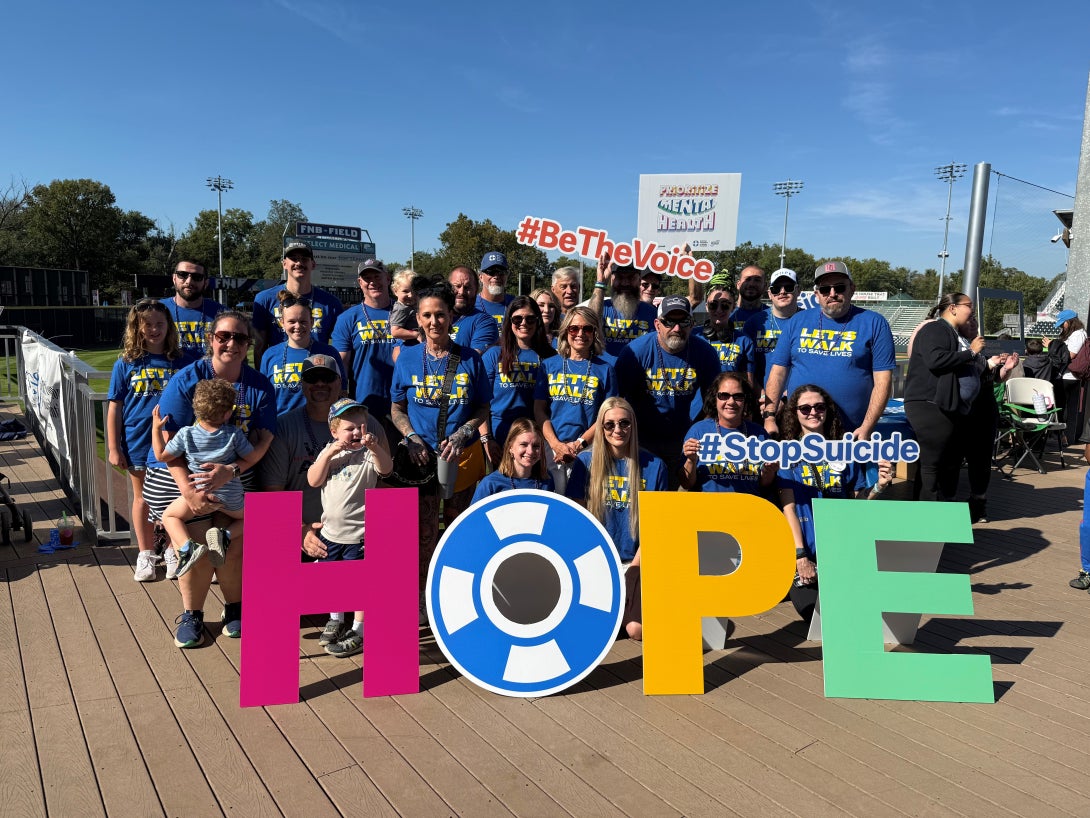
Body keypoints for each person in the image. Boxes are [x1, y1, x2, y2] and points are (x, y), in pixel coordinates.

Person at [144, 310, 277, 648]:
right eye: (223, 336)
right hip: (180, 477)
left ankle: (235, 609)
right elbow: (172, 448)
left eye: (240, 338)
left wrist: (230, 471)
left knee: (230, 546)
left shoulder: (258, 383)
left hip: (232, 475)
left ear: (249, 343)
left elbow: (265, 438)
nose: (231, 343)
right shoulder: (188, 379)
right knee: (201, 545)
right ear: (211, 340)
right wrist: (189, 491)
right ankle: (193, 615)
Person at [390, 280, 491, 616]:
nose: (435, 322)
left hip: (462, 457)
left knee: (459, 527)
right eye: (428, 315)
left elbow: (482, 407)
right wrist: (410, 436)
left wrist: (465, 432)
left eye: (441, 315)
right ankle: (421, 594)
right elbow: (396, 407)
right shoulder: (406, 359)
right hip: (421, 460)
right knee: (424, 532)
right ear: (418, 319)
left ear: (452, 318)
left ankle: (457, 593)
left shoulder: (470, 360)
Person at [776, 384, 894, 623]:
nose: (813, 412)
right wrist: (801, 557)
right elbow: (788, 507)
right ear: (795, 413)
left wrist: (879, 486)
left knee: (854, 613)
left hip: (839, 548)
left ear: (827, 410)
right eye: (805, 408)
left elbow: (855, 506)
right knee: (815, 614)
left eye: (819, 407)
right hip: (804, 550)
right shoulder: (787, 453)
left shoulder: (844, 451)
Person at [566, 398, 667, 641]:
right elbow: (578, 524)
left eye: (624, 423)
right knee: (593, 629)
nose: (617, 430)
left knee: (636, 630)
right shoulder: (585, 463)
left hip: (636, 561)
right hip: (600, 561)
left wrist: (634, 571)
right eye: (609, 425)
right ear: (600, 429)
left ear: (633, 425)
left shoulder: (655, 466)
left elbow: (656, 528)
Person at [107, 299, 193, 581]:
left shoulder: (181, 360)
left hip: (172, 441)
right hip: (137, 440)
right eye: (148, 325)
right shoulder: (127, 363)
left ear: (169, 326)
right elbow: (115, 406)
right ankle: (145, 552)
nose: (154, 329)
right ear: (137, 328)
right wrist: (113, 446)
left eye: (160, 324)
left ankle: (171, 549)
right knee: (142, 497)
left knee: (173, 497)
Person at [763, 261, 896, 441]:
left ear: (852, 289)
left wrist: (867, 427)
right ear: (817, 294)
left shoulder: (874, 323)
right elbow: (778, 372)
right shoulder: (797, 321)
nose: (832, 294)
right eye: (825, 289)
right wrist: (769, 417)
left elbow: (883, 381)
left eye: (839, 287)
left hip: (851, 433)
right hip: (799, 430)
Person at [153, 379, 271, 576]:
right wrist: (265, 441)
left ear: (196, 408)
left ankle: (185, 548)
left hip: (199, 494)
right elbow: (252, 457)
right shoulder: (233, 435)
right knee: (256, 518)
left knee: (169, 516)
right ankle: (224, 534)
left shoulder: (186, 434)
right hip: (230, 498)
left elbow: (161, 456)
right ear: (227, 414)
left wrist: (156, 429)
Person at [307, 398, 392, 658]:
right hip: (331, 532)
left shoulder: (368, 455)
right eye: (349, 428)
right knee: (333, 581)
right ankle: (335, 619)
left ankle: (359, 629)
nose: (356, 433)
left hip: (359, 534)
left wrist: (376, 448)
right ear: (334, 431)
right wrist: (329, 454)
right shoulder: (328, 453)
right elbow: (313, 480)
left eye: (361, 427)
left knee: (359, 583)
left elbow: (387, 469)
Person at [615, 295, 720, 483]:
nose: (677, 328)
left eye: (684, 321)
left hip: (681, 438)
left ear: (693, 323)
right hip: (640, 438)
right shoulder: (636, 352)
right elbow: (617, 401)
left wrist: (696, 432)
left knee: (676, 497)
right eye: (669, 322)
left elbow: (713, 403)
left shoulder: (705, 353)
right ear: (657, 324)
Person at [903, 293, 985, 502]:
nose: (972, 311)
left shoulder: (949, 331)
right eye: (969, 306)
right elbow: (936, 359)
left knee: (940, 463)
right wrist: (971, 352)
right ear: (953, 308)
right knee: (932, 465)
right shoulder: (936, 329)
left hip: (941, 406)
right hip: (929, 404)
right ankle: (927, 516)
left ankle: (933, 511)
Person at [258, 354, 342, 558]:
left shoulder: (365, 423)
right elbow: (273, 491)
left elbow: (382, 483)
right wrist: (299, 529)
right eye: (313, 378)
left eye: (327, 377)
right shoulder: (284, 427)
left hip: (352, 534)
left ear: (340, 382)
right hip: (302, 532)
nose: (320, 383)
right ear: (302, 384)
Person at [535, 308, 618, 483]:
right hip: (552, 449)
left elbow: (607, 417)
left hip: (588, 450)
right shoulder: (548, 365)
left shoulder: (605, 369)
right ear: (566, 332)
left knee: (583, 504)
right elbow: (539, 410)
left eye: (587, 329)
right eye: (574, 329)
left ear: (595, 333)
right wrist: (556, 445)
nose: (580, 334)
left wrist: (579, 444)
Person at [480, 297, 555, 465]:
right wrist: (487, 439)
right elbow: (481, 402)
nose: (524, 323)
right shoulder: (494, 355)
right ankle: (407, 494)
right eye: (517, 319)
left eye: (530, 319)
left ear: (538, 321)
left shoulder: (551, 357)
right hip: (499, 438)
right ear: (509, 321)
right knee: (502, 488)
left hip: (535, 440)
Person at [958, 317, 1019, 522]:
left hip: (984, 409)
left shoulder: (981, 347)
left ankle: (978, 505)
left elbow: (992, 379)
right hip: (959, 410)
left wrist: (1006, 368)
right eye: (969, 321)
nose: (974, 325)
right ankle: (945, 507)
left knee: (981, 460)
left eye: (976, 322)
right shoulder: (956, 344)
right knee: (952, 460)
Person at [679, 372, 775, 493]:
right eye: (724, 395)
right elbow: (686, 483)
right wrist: (691, 461)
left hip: (748, 507)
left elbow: (764, 484)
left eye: (738, 396)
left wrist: (768, 472)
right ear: (715, 398)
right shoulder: (699, 431)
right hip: (708, 507)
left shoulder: (759, 434)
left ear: (746, 400)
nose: (731, 402)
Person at [253, 241, 344, 367]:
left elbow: (340, 347)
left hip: (317, 374)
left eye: (304, 259)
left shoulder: (331, 303)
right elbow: (259, 346)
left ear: (313, 264)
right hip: (279, 375)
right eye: (294, 259)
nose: (299, 263)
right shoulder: (264, 299)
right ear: (284, 264)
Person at [330, 259, 397, 424]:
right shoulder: (348, 318)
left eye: (377, 276)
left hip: (402, 403)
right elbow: (341, 364)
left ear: (387, 279)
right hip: (364, 402)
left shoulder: (405, 313)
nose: (373, 282)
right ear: (360, 283)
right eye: (367, 278)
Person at [260, 289, 345, 415]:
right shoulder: (270, 355)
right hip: (280, 427)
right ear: (282, 323)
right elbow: (264, 397)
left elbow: (341, 393)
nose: (298, 326)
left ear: (312, 322)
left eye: (303, 321)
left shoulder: (328, 353)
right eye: (291, 321)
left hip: (319, 424)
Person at [587, 256, 658, 357]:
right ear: (611, 280)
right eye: (619, 278)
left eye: (631, 278)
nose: (625, 283)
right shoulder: (603, 307)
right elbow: (589, 321)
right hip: (605, 371)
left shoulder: (651, 313)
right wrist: (601, 282)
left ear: (639, 281)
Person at [743, 268, 801, 389]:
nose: (782, 292)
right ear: (769, 294)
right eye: (776, 289)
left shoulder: (809, 322)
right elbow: (747, 367)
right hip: (761, 399)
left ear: (798, 290)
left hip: (798, 399)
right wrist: (763, 396)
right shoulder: (754, 323)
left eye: (789, 287)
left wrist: (786, 398)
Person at [690, 277, 756, 385]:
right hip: (699, 401)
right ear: (706, 306)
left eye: (725, 305)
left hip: (728, 400)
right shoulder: (693, 335)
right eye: (713, 305)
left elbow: (748, 382)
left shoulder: (744, 341)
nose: (719, 310)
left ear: (733, 307)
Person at [471, 418, 554, 502]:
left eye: (536, 446)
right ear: (510, 447)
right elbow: (475, 515)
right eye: (523, 444)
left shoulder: (547, 480)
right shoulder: (490, 484)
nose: (530, 451)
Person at [160, 260, 223, 358]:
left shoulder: (223, 314)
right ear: (174, 278)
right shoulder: (157, 310)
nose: (189, 281)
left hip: (210, 372)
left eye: (197, 277)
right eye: (182, 274)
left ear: (205, 283)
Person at [1051, 309, 1087, 443]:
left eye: (1063, 323)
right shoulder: (1074, 333)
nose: (1061, 326)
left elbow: (1071, 354)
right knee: (1062, 408)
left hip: (1070, 377)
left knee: (1066, 409)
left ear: (1069, 321)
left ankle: (1066, 438)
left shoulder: (1078, 334)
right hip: (1065, 376)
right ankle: (1062, 437)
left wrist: (1051, 345)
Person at [448, 266, 499, 353]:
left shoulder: (484, 321)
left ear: (476, 289)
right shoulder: (436, 318)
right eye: (457, 286)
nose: (461, 292)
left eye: (467, 287)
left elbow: (472, 360)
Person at [476, 251, 515, 327]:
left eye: (501, 272)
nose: (496, 276)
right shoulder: (470, 305)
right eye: (491, 272)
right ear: (480, 276)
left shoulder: (516, 304)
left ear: (507, 276)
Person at [389, 268, 423, 346]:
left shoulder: (410, 306)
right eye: (405, 291)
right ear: (395, 291)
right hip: (408, 345)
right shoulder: (401, 309)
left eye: (414, 291)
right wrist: (416, 335)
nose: (411, 295)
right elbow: (395, 331)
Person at [729, 264, 767, 333]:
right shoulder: (724, 313)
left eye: (757, 280)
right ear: (738, 284)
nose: (751, 284)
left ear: (765, 286)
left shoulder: (773, 315)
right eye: (747, 279)